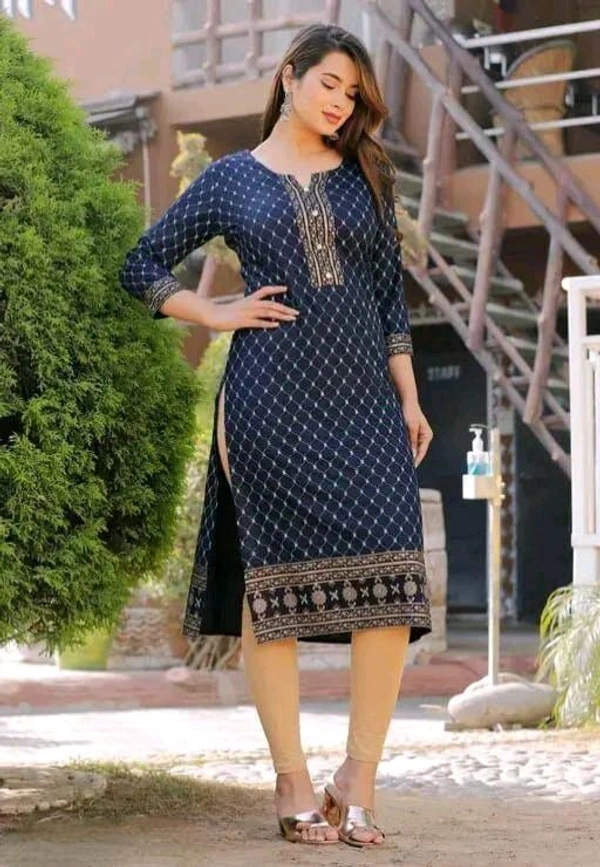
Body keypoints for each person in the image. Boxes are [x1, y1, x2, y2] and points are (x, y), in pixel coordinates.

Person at [120, 23, 433, 849]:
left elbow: (388, 297)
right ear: (289, 77)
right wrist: (213, 311)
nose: (340, 103)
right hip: (270, 404)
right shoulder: (230, 180)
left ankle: (357, 777)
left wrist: (409, 396)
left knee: (393, 579)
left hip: (365, 401)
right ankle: (292, 778)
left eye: (353, 94)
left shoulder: (368, 172)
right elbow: (141, 264)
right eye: (329, 84)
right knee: (275, 593)